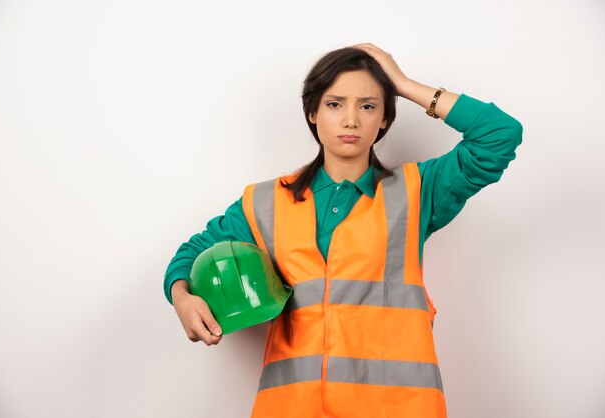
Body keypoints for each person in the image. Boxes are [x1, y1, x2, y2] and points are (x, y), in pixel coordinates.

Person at [164, 43, 523, 418]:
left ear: (385, 118)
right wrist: (181, 297)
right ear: (312, 112)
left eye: (367, 106)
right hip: (292, 409)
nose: (351, 119)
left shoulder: (419, 191)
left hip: (395, 409)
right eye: (335, 104)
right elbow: (191, 255)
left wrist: (402, 83)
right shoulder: (265, 202)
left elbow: (500, 135)